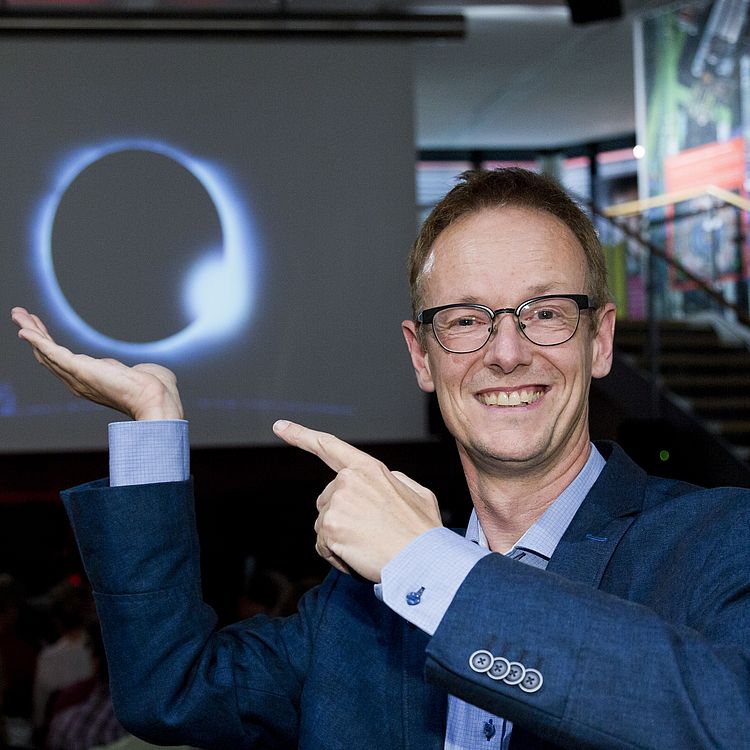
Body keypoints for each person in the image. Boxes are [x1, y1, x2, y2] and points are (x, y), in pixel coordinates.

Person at [11, 168, 750, 749]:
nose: (507, 351)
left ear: (600, 341)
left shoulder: (718, 542)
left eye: (546, 313)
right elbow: (169, 691)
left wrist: (431, 567)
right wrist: (152, 427)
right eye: (466, 320)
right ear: (421, 356)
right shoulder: (358, 613)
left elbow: (726, 720)